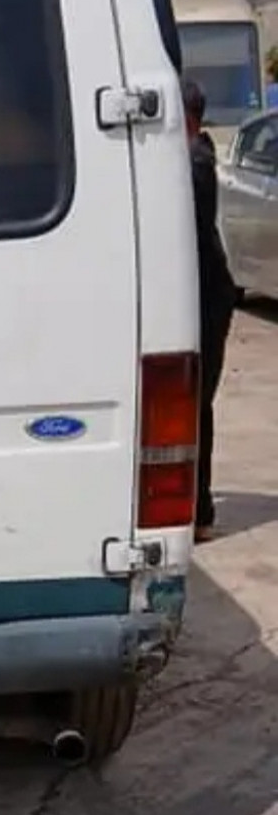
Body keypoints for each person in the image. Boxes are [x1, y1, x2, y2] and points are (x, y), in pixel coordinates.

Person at [182, 79, 237, 543]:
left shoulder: (196, 161)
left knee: (196, 403)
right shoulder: (194, 154)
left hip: (207, 298)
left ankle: (199, 512)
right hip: (200, 293)